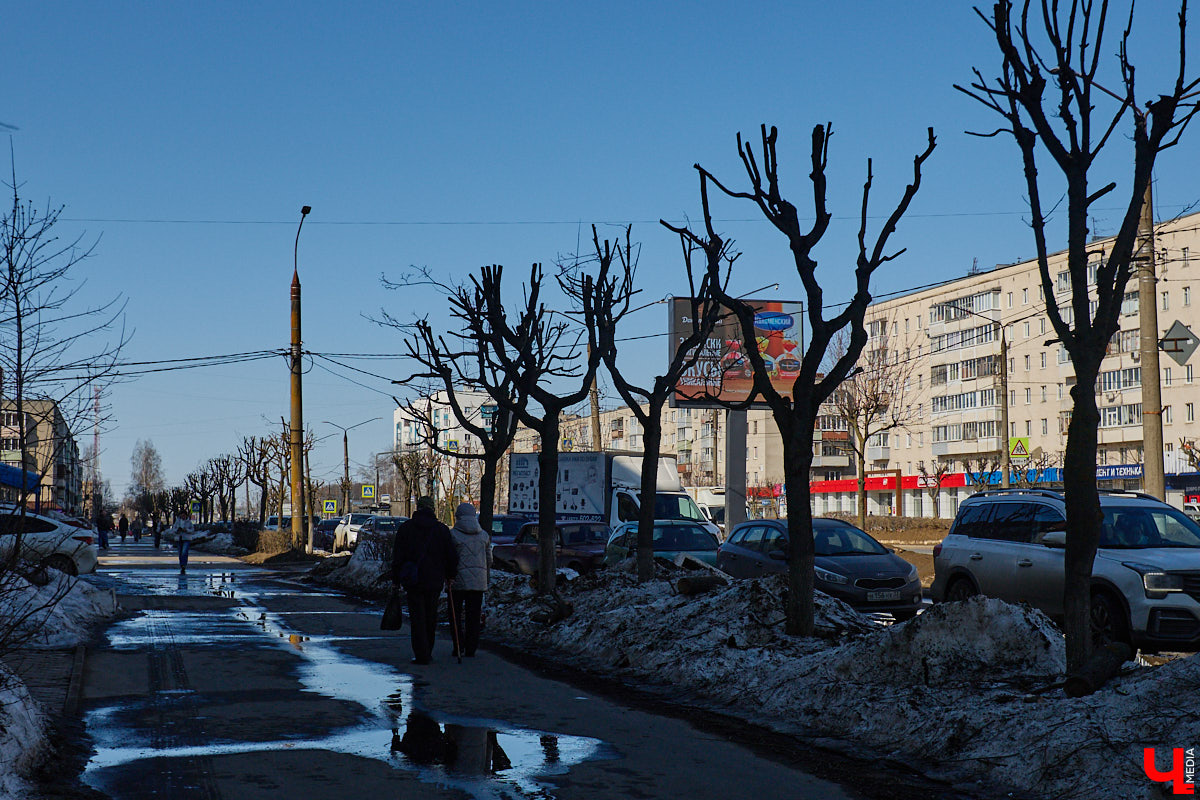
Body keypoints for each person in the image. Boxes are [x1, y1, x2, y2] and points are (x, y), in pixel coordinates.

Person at [391, 496, 458, 665]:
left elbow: (398, 556)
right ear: (432, 509)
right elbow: (450, 555)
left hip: (413, 580)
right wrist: (450, 575)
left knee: (417, 617)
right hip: (434, 579)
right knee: (430, 615)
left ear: (418, 508)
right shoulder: (441, 530)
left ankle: (421, 653)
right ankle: (428, 649)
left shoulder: (406, 528)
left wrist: (396, 579)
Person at [448, 502, 489, 658]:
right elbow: (489, 559)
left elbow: (449, 558)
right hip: (478, 583)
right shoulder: (484, 535)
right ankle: (471, 648)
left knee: (455, 615)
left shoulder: (453, 535)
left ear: (458, 517)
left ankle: (458, 646)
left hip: (457, 581)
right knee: (474, 616)